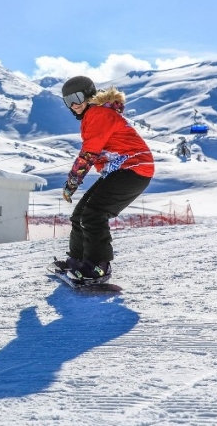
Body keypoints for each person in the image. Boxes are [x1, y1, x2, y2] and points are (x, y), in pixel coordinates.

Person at [54, 76, 154, 281]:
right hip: (121, 170)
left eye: (76, 97)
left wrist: (72, 183)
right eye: (68, 101)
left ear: (89, 95)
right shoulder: (94, 115)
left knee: (93, 215)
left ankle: (98, 266)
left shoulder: (98, 114)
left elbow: (88, 154)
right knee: (80, 214)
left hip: (134, 170)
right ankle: (78, 260)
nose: (73, 104)